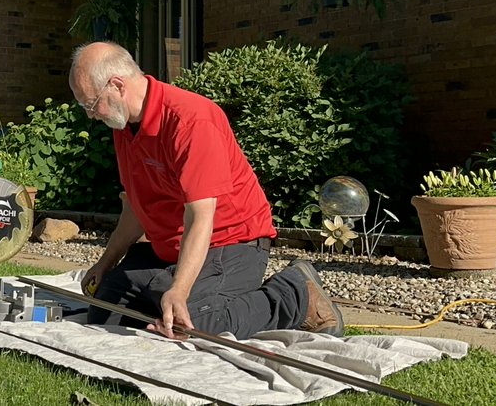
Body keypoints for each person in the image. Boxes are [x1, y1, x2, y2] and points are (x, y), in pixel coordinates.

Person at [69, 41, 342, 340]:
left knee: (196, 325)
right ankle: (173, 292)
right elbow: (137, 206)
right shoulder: (123, 125)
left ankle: (296, 294)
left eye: (91, 104)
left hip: (231, 241)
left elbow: (201, 218)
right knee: (105, 311)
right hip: (171, 248)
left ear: (117, 85)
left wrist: (180, 290)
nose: (91, 115)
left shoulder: (191, 119)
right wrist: (106, 262)